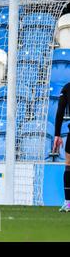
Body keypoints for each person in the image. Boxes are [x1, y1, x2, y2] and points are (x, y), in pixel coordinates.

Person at [52, 82, 70, 212]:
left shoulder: (67, 87)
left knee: (69, 165)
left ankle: (68, 202)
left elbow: (60, 111)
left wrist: (57, 134)